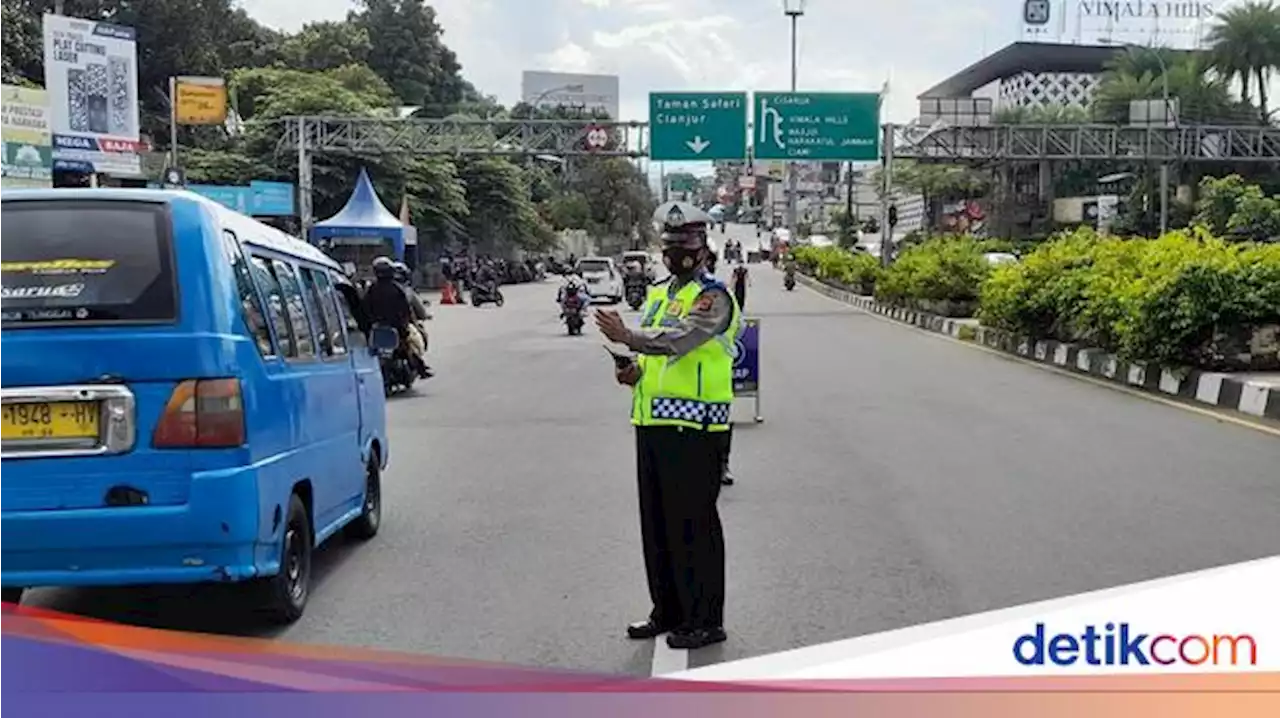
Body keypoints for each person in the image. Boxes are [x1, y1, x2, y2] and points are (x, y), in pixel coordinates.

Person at [594, 201, 741, 651]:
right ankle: (668, 610)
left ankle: (705, 619)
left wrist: (629, 338)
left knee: (693, 525)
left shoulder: (713, 297)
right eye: (670, 246)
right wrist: (632, 369)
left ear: (703, 250)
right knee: (656, 525)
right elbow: (653, 355)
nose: (677, 254)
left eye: (686, 246)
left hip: (696, 428)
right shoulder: (658, 294)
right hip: (653, 422)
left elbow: (680, 340)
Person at [363, 257, 430, 379]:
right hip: (396, 328)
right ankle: (421, 368)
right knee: (410, 344)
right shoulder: (397, 289)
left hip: (378, 328)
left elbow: (365, 309)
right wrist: (405, 326)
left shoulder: (372, 289)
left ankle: (419, 367)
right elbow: (405, 311)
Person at [393, 262, 434, 378]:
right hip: (401, 325)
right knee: (413, 340)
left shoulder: (373, 288)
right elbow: (418, 310)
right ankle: (421, 367)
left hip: (380, 325)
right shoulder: (406, 291)